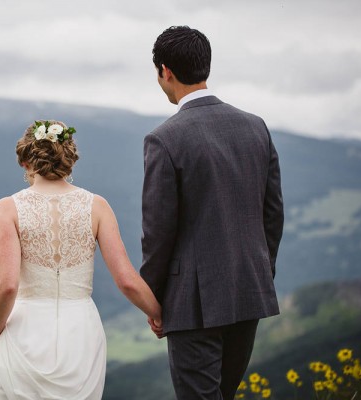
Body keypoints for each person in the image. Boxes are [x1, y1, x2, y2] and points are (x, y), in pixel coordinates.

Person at [0, 120, 162, 399]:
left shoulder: (7, 208)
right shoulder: (97, 206)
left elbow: (8, 286)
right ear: (69, 160)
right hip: (80, 333)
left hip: (25, 332)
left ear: (25, 162)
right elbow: (127, 281)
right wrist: (157, 313)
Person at [140, 26, 284, 400]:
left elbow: (158, 232)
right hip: (248, 291)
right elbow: (273, 215)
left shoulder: (164, 139)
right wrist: (260, 273)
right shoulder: (257, 128)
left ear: (165, 71)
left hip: (192, 302)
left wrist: (153, 299)